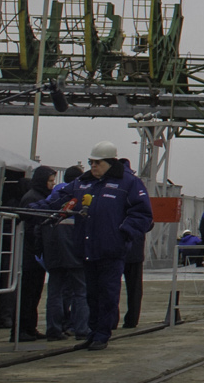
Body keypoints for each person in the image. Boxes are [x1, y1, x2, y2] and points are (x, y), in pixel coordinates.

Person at [33, 142, 153, 351]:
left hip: (111, 250)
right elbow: (60, 199)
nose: (93, 166)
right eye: (91, 162)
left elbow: (143, 214)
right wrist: (33, 210)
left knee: (108, 294)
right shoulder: (83, 183)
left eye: (97, 162)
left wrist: (123, 233)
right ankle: (93, 331)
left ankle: (102, 334)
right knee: (92, 294)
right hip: (87, 249)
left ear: (110, 162)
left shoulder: (128, 183)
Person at [43, 167, 92, 336]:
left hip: (53, 246)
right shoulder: (82, 194)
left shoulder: (55, 193)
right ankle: (81, 329)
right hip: (73, 245)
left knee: (54, 290)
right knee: (81, 290)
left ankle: (53, 329)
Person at [12, 165, 56, 340]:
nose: (52, 185)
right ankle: (22, 329)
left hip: (35, 251)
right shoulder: (33, 198)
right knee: (28, 293)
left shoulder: (39, 197)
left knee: (34, 292)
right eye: (50, 181)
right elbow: (32, 226)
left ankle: (29, 327)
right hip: (31, 252)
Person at [121, 164, 150, 329]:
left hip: (116, 247)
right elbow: (148, 220)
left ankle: (110, 319)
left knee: (110, 286)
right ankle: (132, 319)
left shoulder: (110, 187)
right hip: (135, 247)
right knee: (134, 287)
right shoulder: (137, 186)